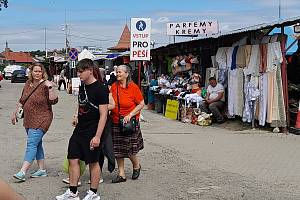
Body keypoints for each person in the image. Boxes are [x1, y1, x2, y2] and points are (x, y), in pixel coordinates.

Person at [56, 59, 108, 200]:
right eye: (78, 71)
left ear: (90, 71)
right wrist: (76, 115)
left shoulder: (101, 88)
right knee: (73, 158)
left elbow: (104, 114)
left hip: (93, 129)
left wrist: (97, 136)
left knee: (93, 161)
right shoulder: (82, 85)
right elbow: (80, 102)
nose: (78, 74)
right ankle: (73, 192)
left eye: (81, 71)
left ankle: (93, 193)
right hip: (80, 129)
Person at [10, 63, 58, 182]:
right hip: (29, 118)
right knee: (37, 144)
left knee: (31, 143)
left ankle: (22, 171)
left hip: (42, 118)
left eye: (39, 71)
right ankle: (41, 170)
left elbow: (54, 101)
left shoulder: (46, 85)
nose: (37, 73)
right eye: (35, 71)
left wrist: (50, 87)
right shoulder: (28, 84)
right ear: (31, 72)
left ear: (43, 73)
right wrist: (15, 113)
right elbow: (22, 99)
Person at [110, 65, 145, 183]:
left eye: (119, 72)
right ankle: (121, 174)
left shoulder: (133, 87)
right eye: (116, 72)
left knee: (130, 149)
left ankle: (136, 165)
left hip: (129, 123)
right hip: (115, 121)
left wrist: (130, 114)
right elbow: (110, 102)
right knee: (117, 150)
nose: (117, 74)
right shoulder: (114, 87)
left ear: (126, 74)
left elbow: (141, 104)